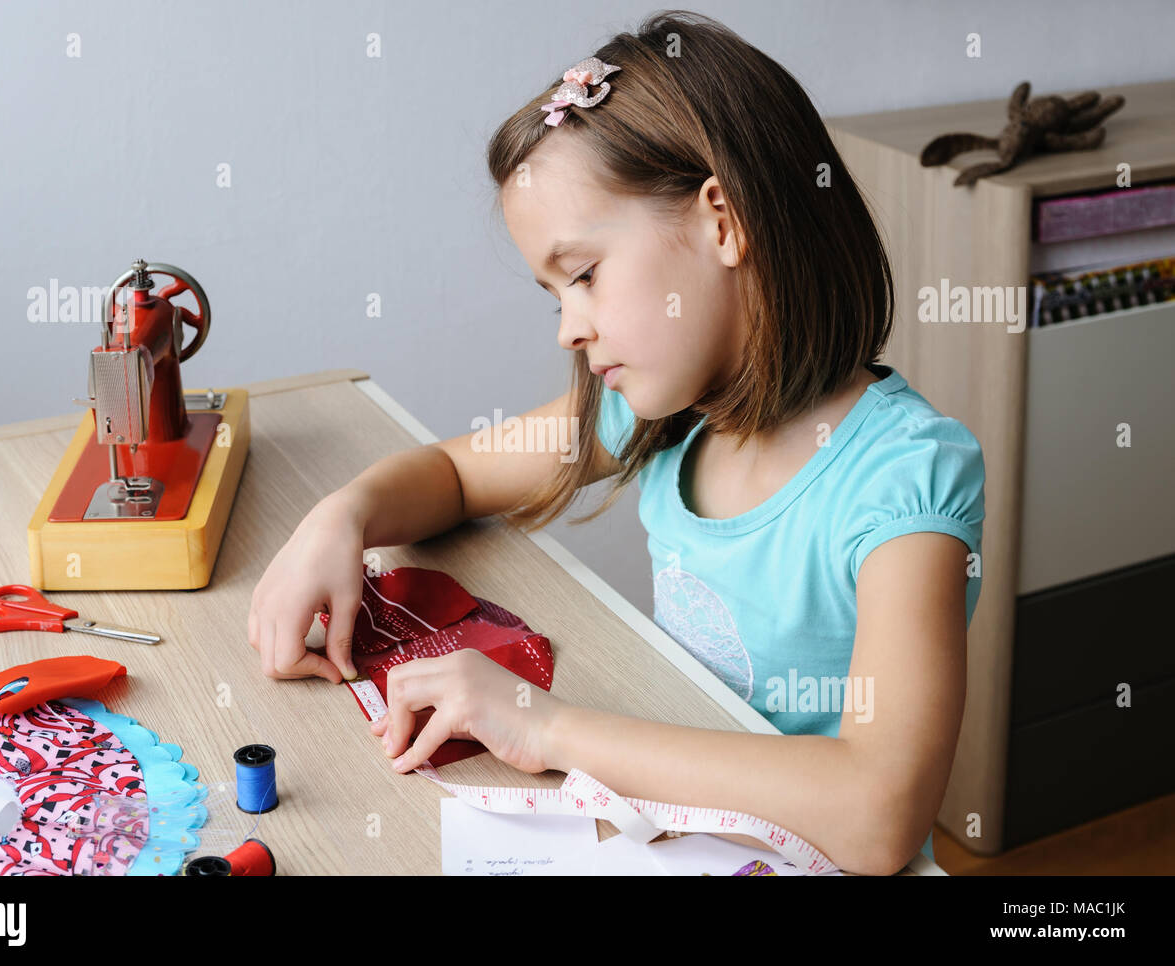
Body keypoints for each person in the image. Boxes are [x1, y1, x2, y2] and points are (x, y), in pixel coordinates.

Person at [248, 10, 984, 876]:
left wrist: (543, 724)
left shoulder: (904, 480)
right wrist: (341, 517)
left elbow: (878, 813)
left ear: (724, 221)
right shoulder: (664, 417)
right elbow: (452, 472)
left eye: (586, 276)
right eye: (555, 294)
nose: (568, 330)